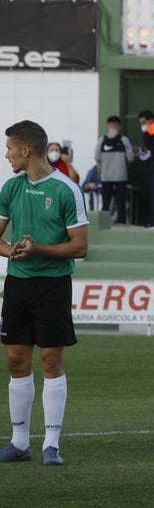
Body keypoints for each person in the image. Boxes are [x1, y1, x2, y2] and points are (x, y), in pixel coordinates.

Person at [0, 120, 89, 466]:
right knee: (15, 361)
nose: (7, 155)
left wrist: (37, 249)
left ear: (26, 150)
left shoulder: (66, 189)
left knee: (51, 361)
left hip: (52, 285)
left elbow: (79, 246)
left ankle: (51, 444)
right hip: (18, 284)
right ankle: (19, 442)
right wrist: (10, 251)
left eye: (9, 148)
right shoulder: (11, 187)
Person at [94, 116, 134, 224]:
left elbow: (97, 157)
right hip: (121, 176)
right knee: (121, 203)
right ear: (119, 126)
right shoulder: (124, 140)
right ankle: (121, 224)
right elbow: (130, 158)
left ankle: (103, 225)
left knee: (105, 203)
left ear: (108, 126)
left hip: (106, 176)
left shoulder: (102, 140)